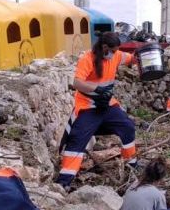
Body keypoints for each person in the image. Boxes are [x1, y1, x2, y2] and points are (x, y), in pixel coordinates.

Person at [56, 32, 138, 188]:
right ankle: (64, 182)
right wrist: (98, 89)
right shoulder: (87, 59)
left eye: (116, 51)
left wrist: (139, 56)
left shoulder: (116, 55)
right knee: (77, 139)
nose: (114, 54)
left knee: (127, 127)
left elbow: (131, 59)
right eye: (112, 50)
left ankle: (131, 165)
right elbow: (77, 83)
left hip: (108, 105)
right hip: (88, 106)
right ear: (104, 47)